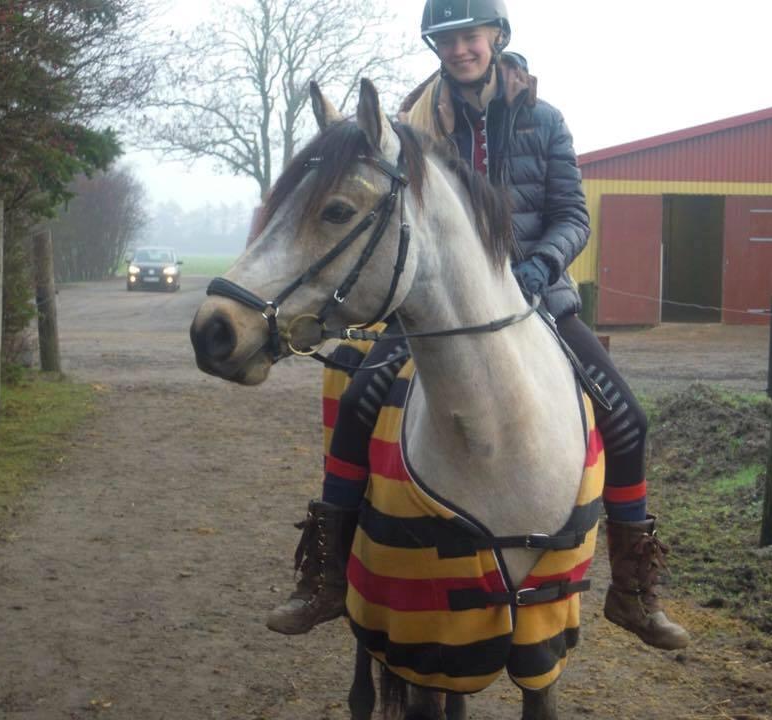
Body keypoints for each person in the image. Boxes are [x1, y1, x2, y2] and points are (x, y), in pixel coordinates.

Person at [266, 0, 690, 651]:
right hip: (437, 305)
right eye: (447, 40)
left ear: (496, 36)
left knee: (627, 417)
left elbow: (573, 215)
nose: (460, 48)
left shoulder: (544, 121)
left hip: (537, 298)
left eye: (470, 35)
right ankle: (327, 576)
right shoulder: (416, 128)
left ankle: (632, 590)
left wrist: (540, 266)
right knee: (356, 406)